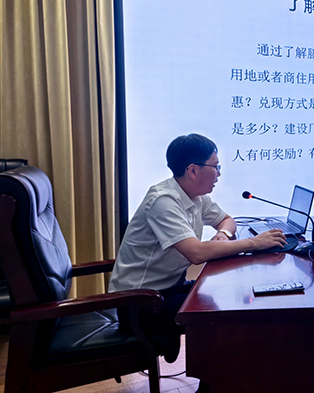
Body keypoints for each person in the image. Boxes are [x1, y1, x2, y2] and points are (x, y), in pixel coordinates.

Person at [108, 133, 285, 391]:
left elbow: (228, 220)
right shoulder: (163, 201)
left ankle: (225, 383)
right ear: (193, 170)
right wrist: (254, 243)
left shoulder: (196, 195)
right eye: (216, 166)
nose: (219, 174)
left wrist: (223, 235)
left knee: (232, 300)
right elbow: (196, 253)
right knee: (223, 318)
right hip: (139, 303)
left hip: (168, 290)